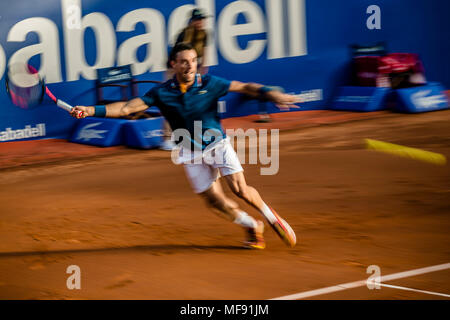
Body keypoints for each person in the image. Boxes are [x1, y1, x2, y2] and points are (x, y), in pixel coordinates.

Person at [71, 43, 299, 249]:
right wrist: (91, 110)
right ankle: (252, 225)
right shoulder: (162, 92)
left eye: (193, 61)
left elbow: (244, 87)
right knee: (214, 201)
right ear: (174, 64)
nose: (189, 66)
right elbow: (126, 108)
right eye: (183, 61)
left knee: (240, 190)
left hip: (217, 144)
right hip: (189, 151)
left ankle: (272, 217)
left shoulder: (210, 83)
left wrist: (271, 94)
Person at [174, 8, 210, 74]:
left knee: (199, 82)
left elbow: (204, 52)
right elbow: (176, 54)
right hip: (184, 65)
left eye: (201, 19)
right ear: (192, 21)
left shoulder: (204, 34)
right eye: (197, 20)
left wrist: (203, 67)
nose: (199, 22)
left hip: (197, 64)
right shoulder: (184, 35)